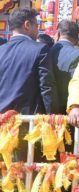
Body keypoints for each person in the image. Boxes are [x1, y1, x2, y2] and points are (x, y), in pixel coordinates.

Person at [0, 8, 58, 161]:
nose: (37, 29)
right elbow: (47, 88)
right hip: (26, 124)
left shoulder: (1, 51)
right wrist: (53, 118)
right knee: (23, 174)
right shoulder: (40, 49)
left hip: (1, 122)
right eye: (36, 25)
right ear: (27, 24)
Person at [50, 20, 79, 114]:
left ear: (58, 34)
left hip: (43, 115)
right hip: (69, 114)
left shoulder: (45, 52)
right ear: (77, 38)